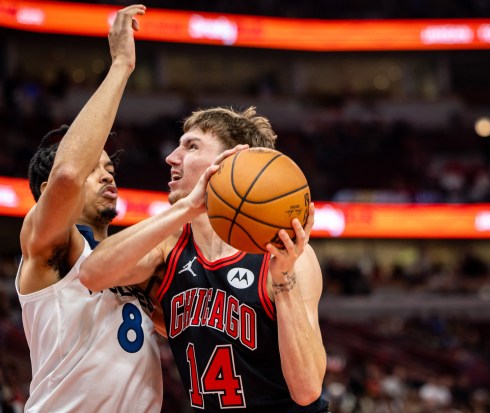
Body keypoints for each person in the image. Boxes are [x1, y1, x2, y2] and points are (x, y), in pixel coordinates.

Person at [79, 106, 330, 412]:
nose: (172, 157)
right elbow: (91, 273)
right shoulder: (170, 245)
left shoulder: (284, 257)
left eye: (192, 146)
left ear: (234, 160)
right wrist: (186, 209)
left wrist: (282, 280)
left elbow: (306, 390)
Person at [15, 5, 163, 412]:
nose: (107, 176)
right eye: (93, 170)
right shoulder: (46, 248)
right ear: (45, 194)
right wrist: (121, 66)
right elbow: (67, 175)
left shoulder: (131, 261)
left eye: (110, 168)